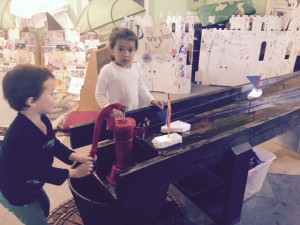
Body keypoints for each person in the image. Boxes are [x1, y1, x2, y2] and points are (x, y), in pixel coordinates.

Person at [0, 65, 95, 225]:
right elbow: (38, 171)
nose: (56, 97)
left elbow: (53, 144)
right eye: (51, 93)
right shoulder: (20, 136)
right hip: (15, 190)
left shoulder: (42, 118)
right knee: (37, 220)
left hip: (31, 182)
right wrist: (73, 172)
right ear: (31, 101)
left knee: (44, 205)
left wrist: (75, 156)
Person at [95, 27, 164, 118]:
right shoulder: (107, 70)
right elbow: (99, 94)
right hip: (116, 118)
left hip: (134, 113)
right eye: (121, 49)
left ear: (135, 51)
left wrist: (152, 100)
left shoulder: (136, 67)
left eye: (130, 50)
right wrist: (111, 109)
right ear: (112, 50)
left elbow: (142, 88)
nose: (126, 54)